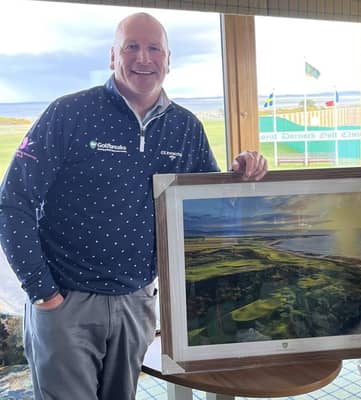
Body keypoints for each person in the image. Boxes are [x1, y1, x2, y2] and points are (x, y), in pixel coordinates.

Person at [0, 12, 267, 400]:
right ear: (113, 56)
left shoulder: (185, 127)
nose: (144, 57)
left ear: (168, 60)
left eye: (154, 48)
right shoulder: (69, 114)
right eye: (132, 46)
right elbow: (13, 203)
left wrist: (242, 173)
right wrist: (44, 294)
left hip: (137, 303)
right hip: (66, 304)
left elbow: (205, 210)